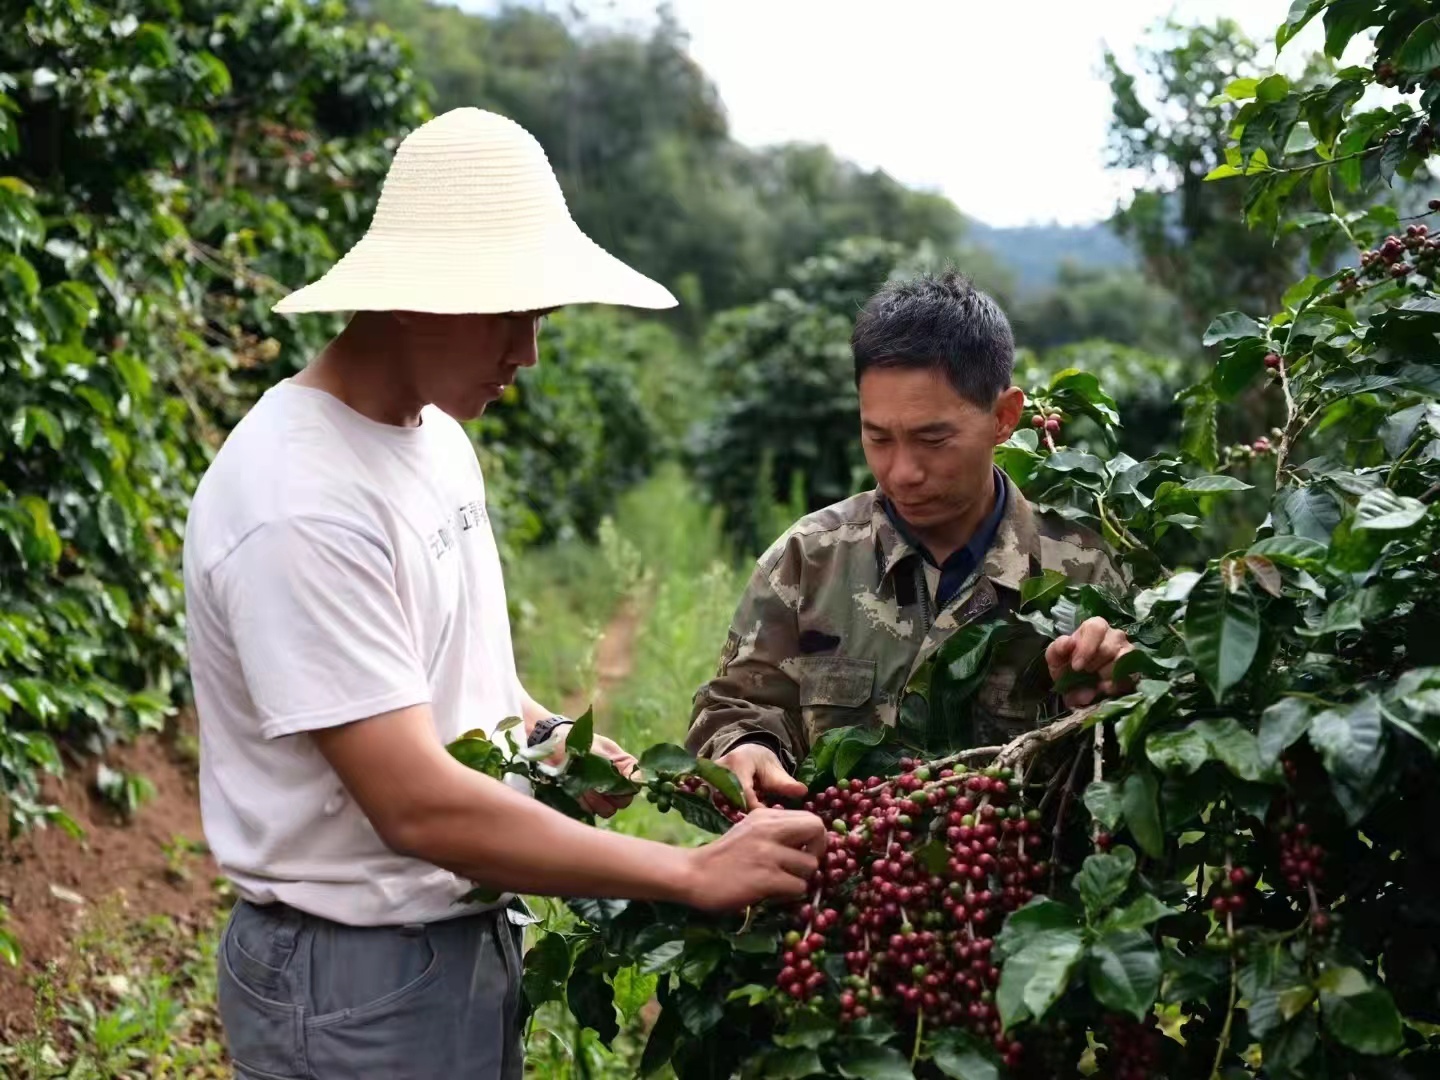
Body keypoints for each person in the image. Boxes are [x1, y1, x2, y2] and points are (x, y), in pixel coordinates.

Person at [182, 108, 825, 1080]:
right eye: (507, 315)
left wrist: (566, 748)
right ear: (414, 298)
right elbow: (416, 805)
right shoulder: (298, 502)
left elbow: (469, 699)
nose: (527, 352)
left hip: (458, 944)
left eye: (540, 319)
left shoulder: (435, 439)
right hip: (354, 982)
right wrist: (690, 875)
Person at [686, 271, 1135, 810]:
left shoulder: (1085, 570)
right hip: (845, 886)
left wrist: (1124, 685)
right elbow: (736, 704)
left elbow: (1134, 788)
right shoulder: (809, 561)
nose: (901, 473)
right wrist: (745, 748)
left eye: (932, 439)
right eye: (877, 437)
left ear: (1004, 418)